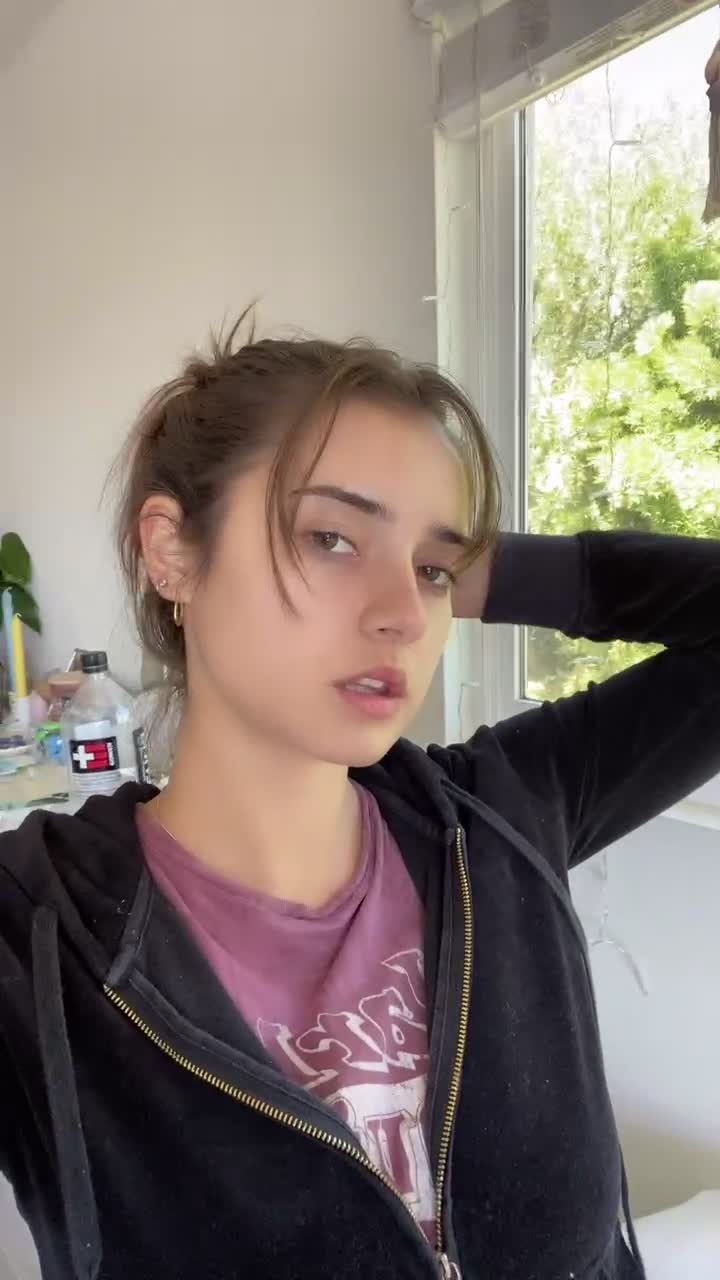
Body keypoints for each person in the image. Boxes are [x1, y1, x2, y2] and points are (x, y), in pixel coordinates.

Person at [1, 312, 718, 1280]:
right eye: (333, 538)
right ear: (173, 551)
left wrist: (484, 567)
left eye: (433, 570)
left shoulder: (504, 813)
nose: (405, 615)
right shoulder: (39, 940)